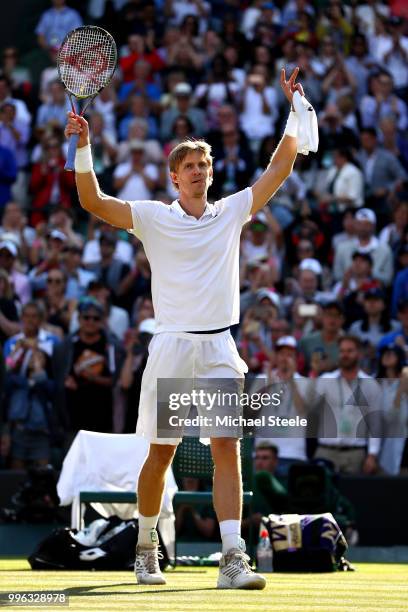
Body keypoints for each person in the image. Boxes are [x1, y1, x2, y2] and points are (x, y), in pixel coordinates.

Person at [65, 66, 316, 590]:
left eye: (205, 163)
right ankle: (144, 546)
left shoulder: (231, 212)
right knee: (161, 454)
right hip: (172, 348)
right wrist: (83, 146)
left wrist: (296, 107)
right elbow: (91, 202)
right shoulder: (151, 216)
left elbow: (281, 167)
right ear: (174, 177)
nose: (200, 171)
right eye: (190, 166)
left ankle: (231, 558)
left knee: (226, 446)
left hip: (220, 347)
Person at [312, 335, 383, 475]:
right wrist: (313, 373)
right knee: (322, 496)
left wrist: (372, 455)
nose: (345, 355)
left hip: (355, 453)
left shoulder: (370, 384)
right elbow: (309, 408)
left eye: (350, 351)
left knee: (352, 495)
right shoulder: (325, 380)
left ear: (359, 354)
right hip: (325, 450)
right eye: (342, 351)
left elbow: (375, 424)